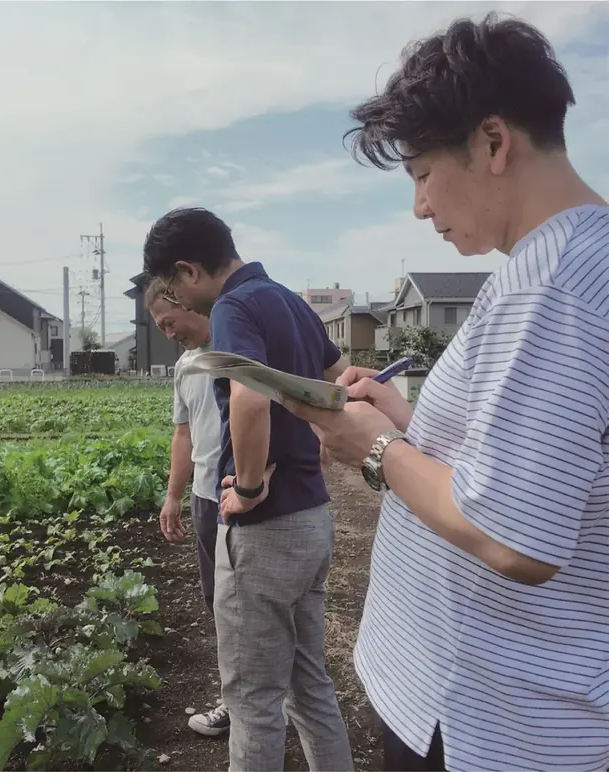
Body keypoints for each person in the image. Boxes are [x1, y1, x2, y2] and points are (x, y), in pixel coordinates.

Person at [283, 13, 609, 772]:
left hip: (486, 718)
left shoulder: (552, 289)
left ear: (494, 142)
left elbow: (514, 536)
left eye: (424, 175)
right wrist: (410, 418)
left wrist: (376, 449)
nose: (420, 208)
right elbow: (541, 461)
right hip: (504, 699)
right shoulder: (566, 265)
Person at [142, 207, 353, 772]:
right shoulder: (287, 299)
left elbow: (249, 397)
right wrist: (327, 441)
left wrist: (252, 487)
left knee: (254, 700)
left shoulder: (234, 306)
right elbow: (344, 380)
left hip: (265, 530)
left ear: (189, 271)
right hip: (312, 517)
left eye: (173, 287)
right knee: (309, 685)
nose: (181, 303)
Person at [145, 278, 231, 737]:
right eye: (160, 326)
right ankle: (234, 698)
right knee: (218, 602)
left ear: (189, 301)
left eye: (170, 321)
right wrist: (174, 494)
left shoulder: (239, 349)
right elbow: (184, 434)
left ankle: (260, 701)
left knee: (251, 607)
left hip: (243, 495)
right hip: (204, 497)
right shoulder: (185, 366)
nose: (168, 332)